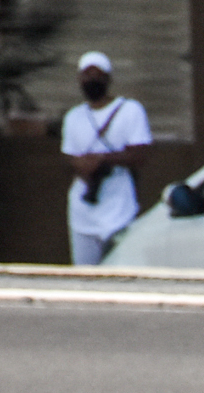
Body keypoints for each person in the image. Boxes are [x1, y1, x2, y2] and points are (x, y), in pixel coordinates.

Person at [60, 50, 150, 266]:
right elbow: (68, 155)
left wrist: (103, 160)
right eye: (86, 75)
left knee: (121, 268)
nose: (91, 80)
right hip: (83, 207)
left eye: (96, 74)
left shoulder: (130, 110)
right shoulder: (74, 117)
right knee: (84, 270)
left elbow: (140, 154)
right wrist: (82, 165)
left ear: (108, 78)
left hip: (118, 205)